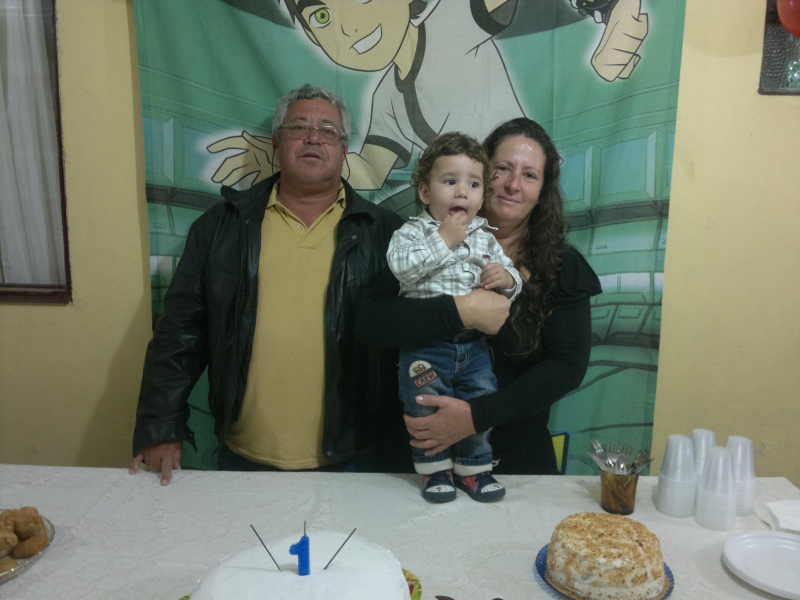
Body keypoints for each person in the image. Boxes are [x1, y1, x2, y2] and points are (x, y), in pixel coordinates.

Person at [130, 84, 404, 485]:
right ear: (276, 142)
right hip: (244, 457)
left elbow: (411, 342)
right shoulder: (219, 228)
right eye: (299, 127)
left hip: (358, 457)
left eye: (328, 131)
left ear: (345, 149)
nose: (313, 138)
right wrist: (161, 427)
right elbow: (180, 334)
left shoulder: (389, 235)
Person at [356, 118, 602, 475]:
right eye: (502, 169)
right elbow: (370, 324)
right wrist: (462, 311)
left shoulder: (563, 264)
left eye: (529, 175)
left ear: (542, 190)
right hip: (420, 460)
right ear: (483, 173)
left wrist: (475, 417)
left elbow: (567, 367)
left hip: (517, 463)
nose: (513, 184)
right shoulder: (423, 238)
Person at [386, 132, 521, 502]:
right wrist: (442, 239)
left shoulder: (484, 236)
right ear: (425, 192)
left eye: (473, 184)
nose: (462, 192)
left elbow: (513, 277)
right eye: (450, 181)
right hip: (425, 347)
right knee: (425, 405)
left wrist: (507, 279)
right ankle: (434, 470)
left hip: (473, 346)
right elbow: (402, 269)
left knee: (479, 400)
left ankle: (474, 470)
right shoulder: (412, 232)